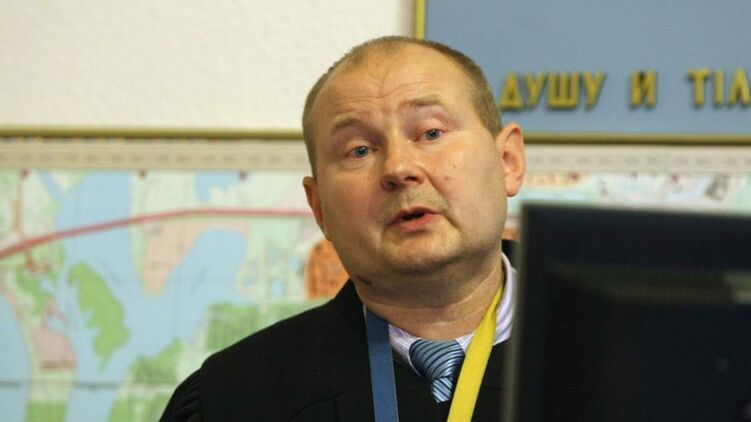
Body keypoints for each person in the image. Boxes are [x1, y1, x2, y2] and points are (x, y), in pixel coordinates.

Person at [161, 35, 525, 422]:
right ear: (318, 207)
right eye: (359, 150)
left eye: (431, 133)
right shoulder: (232, 399)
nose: (399, 168)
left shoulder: (577, 356)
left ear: (508, 161)